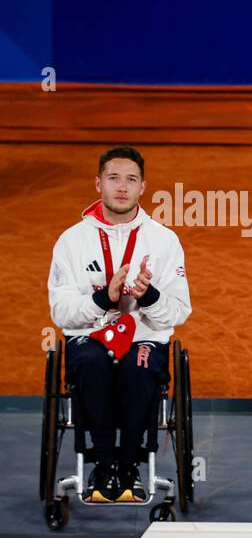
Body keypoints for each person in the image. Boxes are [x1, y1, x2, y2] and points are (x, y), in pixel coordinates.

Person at [47, 146, 192, 502]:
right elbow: (61, 311)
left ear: (143, 187)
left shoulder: (164, 240)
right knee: (94, 364)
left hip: (145, 335)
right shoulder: (71, 240)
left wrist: (149, 296)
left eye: (131, 179)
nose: (122, 187)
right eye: (113, 178)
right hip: (89, 335)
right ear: (98, 184)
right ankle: (103, 463)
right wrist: (103, 299)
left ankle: (129, 466)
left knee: (136, 369)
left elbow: (179, 310)